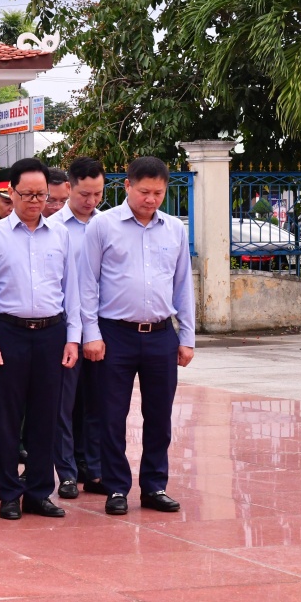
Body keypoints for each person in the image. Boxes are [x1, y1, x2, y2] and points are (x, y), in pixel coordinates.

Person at [81, 155, 193, 516]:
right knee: (112, 414)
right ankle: (116, 488)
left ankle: (154, 486)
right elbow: (87, 284)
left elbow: (182, 286)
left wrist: (186, 337)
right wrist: (91, 334)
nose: (151, 199)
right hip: (115, 334)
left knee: (159, 415)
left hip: (161, 334)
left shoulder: (174, 229)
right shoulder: (103, 227)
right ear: (127, 186)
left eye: (158, 193)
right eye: (144, 191)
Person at [0, 157, 80, 521]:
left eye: (42, 194)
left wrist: (73, 338)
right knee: (7, 418)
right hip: (8, 333)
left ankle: (38, 492)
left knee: (45, 417)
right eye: (27, 194)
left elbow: (72, 291)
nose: (36, 201)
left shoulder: (61, 235)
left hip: (52, 334)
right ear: (11, 193)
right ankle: (8, 493)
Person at [48, 156, 108, 498]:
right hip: (67, 328)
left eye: (98, 193)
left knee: (97, 403)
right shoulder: (55, 228)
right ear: (69, 187)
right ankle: (67, 472)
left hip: (101, 328)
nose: (91, 201)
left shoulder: (109, 225)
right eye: (85, 193)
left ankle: (93, 469)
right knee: (64, 405)